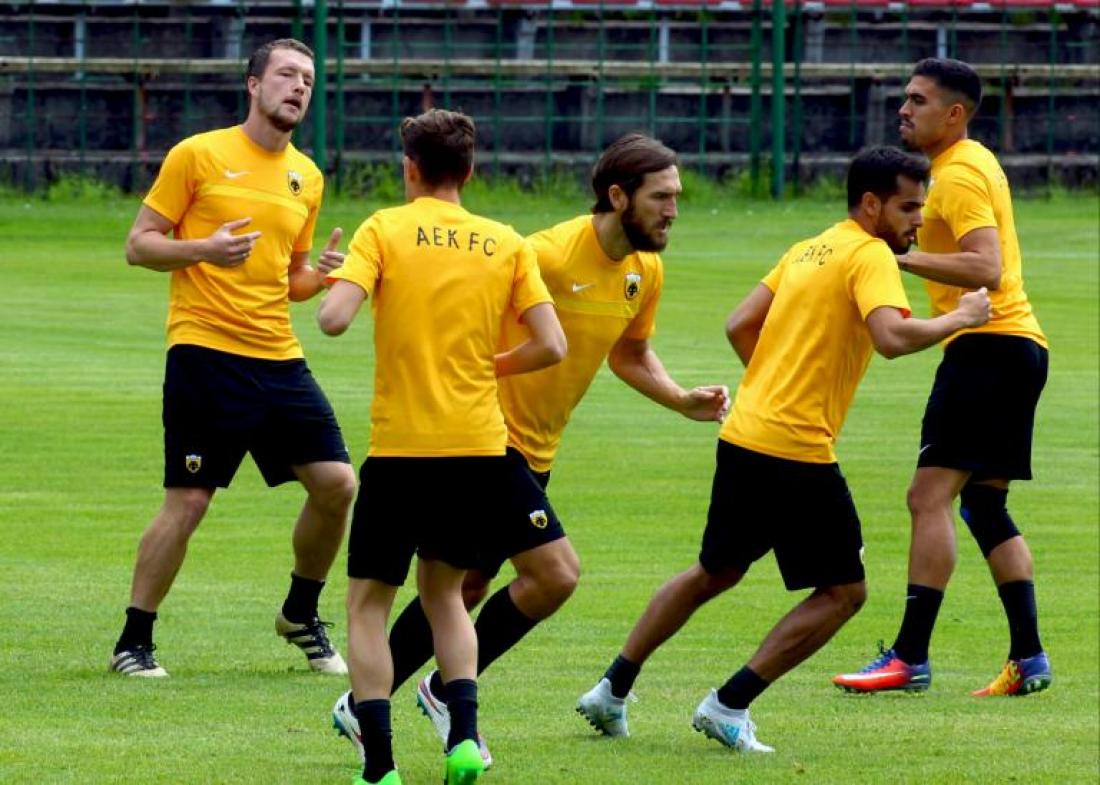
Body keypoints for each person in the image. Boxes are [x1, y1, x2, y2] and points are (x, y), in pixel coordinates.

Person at [329, 133, 730, 769]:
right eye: (662, 197)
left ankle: (371, 703)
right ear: (618, 196)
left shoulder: (643, 271)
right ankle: (435, 697)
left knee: (465, 585)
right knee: (551, 574)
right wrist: (470, 373)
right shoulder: (545, 253)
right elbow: (463, 323)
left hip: (536, 448)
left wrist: (679, 399)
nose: (673, 210)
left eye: (676, 197)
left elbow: (630, 353)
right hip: (488, 441)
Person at [576, 146, 991, 752]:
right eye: (908, 208)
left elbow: (739, 323)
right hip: (795, 449)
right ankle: (728, 704)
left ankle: (611, 689)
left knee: (714, 571)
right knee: (844, 593)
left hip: (746, 434)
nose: (918, 221)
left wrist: (776, 381)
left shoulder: (809, 248)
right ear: (870, 204)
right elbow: (892, 337)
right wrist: (962, 316)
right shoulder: (871, 253)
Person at [316, 108, 566, 785]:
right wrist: (490, 365)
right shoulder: (505, 242)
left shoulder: (383, 228)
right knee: (446, 597)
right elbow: (552, 345)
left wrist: (339, 280)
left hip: (402, 449)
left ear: (410, 168)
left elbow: (333, 320)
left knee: (368, 605)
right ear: (469, 170)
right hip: (478, 450)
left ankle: (380, 766)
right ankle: (463, 738)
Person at [110, 38, 356, 678]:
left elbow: (290, 279)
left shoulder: (308, 176)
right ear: (253, 84)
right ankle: (133, 642)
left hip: (277, 355)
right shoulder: (198, 154)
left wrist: (321, 276)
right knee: (190, 500)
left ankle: (299, 613)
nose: (298, 87)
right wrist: (203, 249)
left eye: (307, 80)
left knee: (338, 485)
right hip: (205, 351)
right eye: (286, 74)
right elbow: (140, 245)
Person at [833, 58, 1052, 698]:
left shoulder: (955, 175)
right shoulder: (973, 161)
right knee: (984, 504)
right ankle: (1029, 657)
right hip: (1018, 348)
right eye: (905, 98)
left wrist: (896, 256)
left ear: (955, 114)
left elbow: (987, 266)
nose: (904, 109)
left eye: (918, 100)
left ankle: (909, 657)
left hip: (987, 349)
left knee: (927, 498)